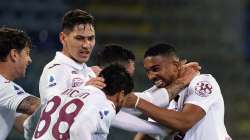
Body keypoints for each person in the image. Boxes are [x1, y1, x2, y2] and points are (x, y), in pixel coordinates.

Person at [123, 43, 231, 140]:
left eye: (156, 69)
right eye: (148, 72)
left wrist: (138, 102)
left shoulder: (202, 82)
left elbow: (185, 122)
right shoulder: (163, 97)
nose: (151, 76)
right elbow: (149, 135)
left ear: (176, 66)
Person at [97, 44, 201, 138]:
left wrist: (169, 83)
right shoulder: (95, 93)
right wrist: (181, 81)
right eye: (124, 77)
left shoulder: (96, 87)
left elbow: (142, 100)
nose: (126, 84)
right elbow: (136, 104)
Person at [32, 64, 134, 140]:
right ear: (121, 95)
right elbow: (78, 130)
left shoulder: (65, 92)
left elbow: (31, 124)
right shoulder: (105, 104)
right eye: (126, 99)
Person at [0, 27, 40, 140]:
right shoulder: (3, 86)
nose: (30, 59)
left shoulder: (8, 92)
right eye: (27, 53)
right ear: (14, 54)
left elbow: (24, 125)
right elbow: (33, 105)